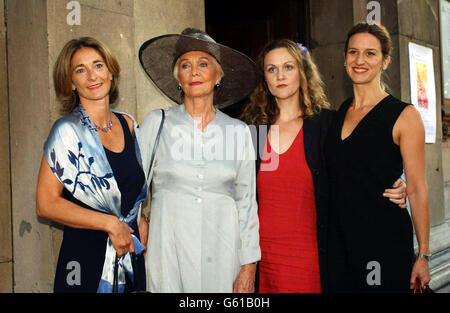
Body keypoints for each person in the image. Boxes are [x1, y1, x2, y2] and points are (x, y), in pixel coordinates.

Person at [240, 39, 408, 292]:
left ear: (303, 72)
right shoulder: (252, 130)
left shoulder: (327, 124)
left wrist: (396, 183)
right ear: (263, 77)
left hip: (311, 258)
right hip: (261, 259)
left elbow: (360, 167)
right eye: (271, 69)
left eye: (289, 67)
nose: (280, 76)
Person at [138, 28, 261, 292]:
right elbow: (133, 187)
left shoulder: (238, 132)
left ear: (218, 76)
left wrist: (249, 265)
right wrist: (141, 224)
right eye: (186, 65)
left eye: (203, 64)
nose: (194, 72)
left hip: (223, 256)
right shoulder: (156, 124)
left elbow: (247, 203)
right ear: (178, 79)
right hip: (167, 254)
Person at [36, 37, 148, 293]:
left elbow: (132, 190)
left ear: (111, 72)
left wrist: (139, 218)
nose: (92, 76)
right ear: (71, 83)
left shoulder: (129, 124)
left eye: (98, 65)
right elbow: (45, 204)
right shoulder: (66, 132)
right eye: (80, 70)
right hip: (83, 258)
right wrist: (109, 223)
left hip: (129, 254)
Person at [325, 23, 431, 292]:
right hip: (340, 243)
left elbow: (418, 189)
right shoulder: (339, 112)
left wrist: (423, 255)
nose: (360, 60)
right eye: (353, 52)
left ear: (385, 61)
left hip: (382, 243)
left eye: (370, 53)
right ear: (345, 58)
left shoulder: (404, 116)